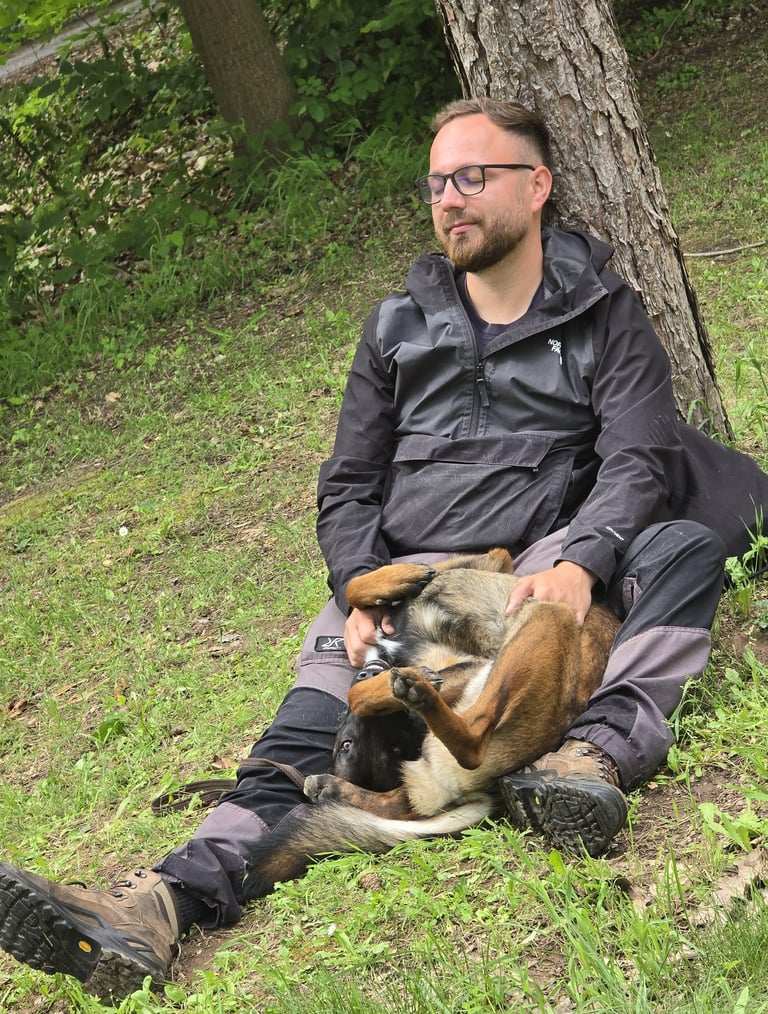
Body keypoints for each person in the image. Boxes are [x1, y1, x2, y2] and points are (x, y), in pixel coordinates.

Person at [2, 97, 768, 1002]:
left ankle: (595, 756)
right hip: (395, 588)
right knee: (291, 751)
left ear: (538, 185)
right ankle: (159, 905)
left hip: (521, 567)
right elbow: (348, 481)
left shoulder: (605, 316)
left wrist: (581, 560)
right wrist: (357, 593)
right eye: (438, 182)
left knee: (677, 546)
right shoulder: (397, 328)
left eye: (473, 177)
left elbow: (639, 455)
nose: (451, 198)